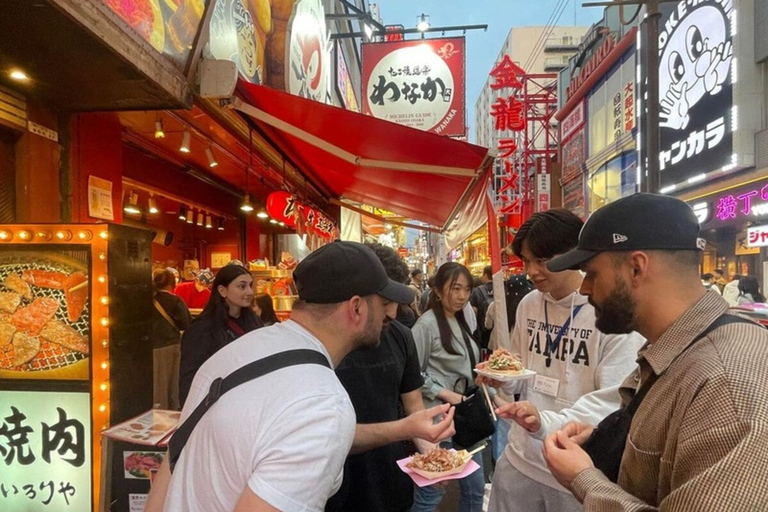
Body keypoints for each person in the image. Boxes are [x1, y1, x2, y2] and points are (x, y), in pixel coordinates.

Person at [145, 241, 425, 512]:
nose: (392, 312)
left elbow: (173, 463)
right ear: (356, 308)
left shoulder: (234, 354)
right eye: (384, 302)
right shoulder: (323, 405)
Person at [541, 194, 768, 511]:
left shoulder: (728, 384)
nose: (585, 289)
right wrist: (608, 441)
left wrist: (584, 479)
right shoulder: (678, 347)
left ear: (636, 268)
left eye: (592, 273)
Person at [478, 209, 643, 512]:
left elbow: (612, 400)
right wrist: (502, 378)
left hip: (572, 469)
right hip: (520, 458)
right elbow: (521, 367)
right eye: (527, 261)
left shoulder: (607, 310)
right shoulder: (529, 304)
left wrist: (546, 422)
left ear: (573, 255)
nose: (531, 271)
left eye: (542, 260)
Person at [326, 243, 454, 512]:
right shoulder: (326, 345)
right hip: (337, 486)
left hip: (392, 479)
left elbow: (414, 404)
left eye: (395, 302)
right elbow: (327, 433)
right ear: (357, 301)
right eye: (385, 303)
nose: (393, 313)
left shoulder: (401, 336)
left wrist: (431, 453)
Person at [411, 262, 487, 512]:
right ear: (438, 289)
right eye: (455, 288)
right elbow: (411, 375)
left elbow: (468, 365)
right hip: (438, 419)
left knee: (475, 488)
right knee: (431, 492)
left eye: (466, 289)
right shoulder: (426, 325)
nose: (462, 296)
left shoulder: (463, 318)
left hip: (464, 414)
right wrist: (444, 392)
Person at [178, 265, 262, 406]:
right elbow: (190, 377)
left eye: (250, 286)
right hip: (217, 403)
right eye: (242, 286)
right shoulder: (202, 329)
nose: (249, 292)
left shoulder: (254, 322)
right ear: (222, 291)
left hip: (250, 399)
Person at [151, 269, 191, 410]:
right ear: (172, 283)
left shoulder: (148, 300)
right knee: (172, 380)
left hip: (151, 345)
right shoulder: (175, 301)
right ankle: (170, 409)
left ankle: (157, 407)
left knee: (157, 381)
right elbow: (185, 323)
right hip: (170, 344)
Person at [470, 265, 494, 349]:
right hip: (500, 331)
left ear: (486, 275)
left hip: (483, 332)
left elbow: (474, 312)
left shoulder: (478, 291)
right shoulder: (502, 288)